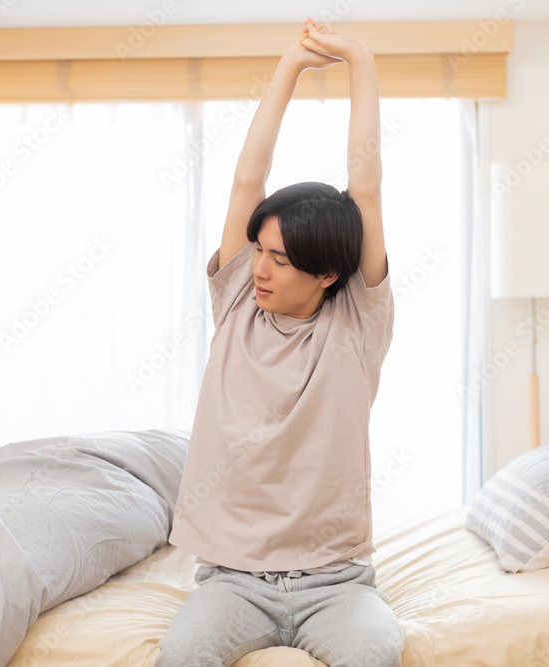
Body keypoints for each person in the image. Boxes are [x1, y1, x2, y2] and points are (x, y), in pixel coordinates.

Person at [156, 18, 404, 667]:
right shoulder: (239, 297)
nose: (260, 268)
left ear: (327, 275)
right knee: (179, 657)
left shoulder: (357, 321)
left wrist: (360, 59)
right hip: (232, 580)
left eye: (281, 260)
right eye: (259, 250)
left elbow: (366, 188)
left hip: (337, 584)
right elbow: (248, 180)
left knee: (378, 652)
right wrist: (290, 65)